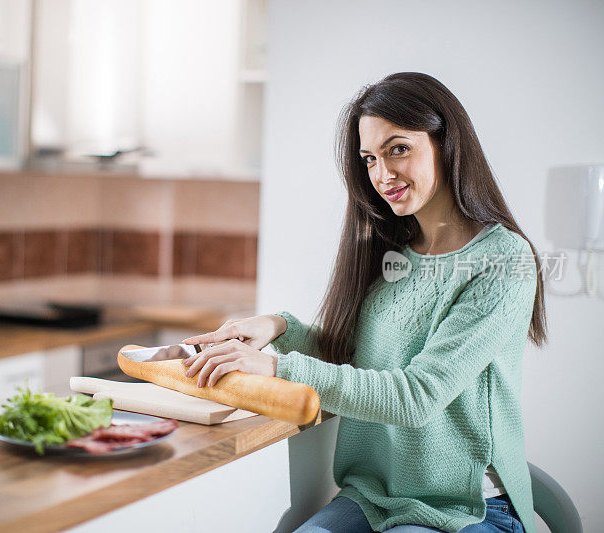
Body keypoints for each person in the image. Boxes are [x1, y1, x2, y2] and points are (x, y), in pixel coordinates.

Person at [180, 72, 546, 533]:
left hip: (465, 507)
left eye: (398, 149)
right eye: (369, 158)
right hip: (375, 496)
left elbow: (417, 397)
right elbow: (360, 360)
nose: (381, 174)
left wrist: (276, 368)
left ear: (446, 142)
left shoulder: (500, 259)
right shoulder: (391, 249)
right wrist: (277, 327)